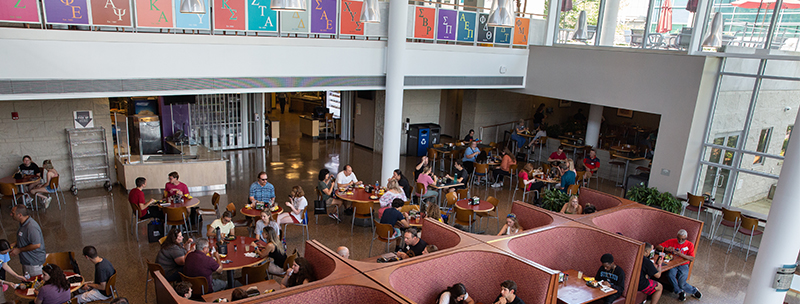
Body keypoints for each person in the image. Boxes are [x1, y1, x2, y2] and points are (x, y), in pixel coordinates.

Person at [656, 229, 701, 301]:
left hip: (683, 265)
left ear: (686, 238)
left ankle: (694, 290)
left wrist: (680, 254)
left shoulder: (690, 245)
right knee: (670, 275)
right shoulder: (672, 241)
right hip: (673, 264)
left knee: (682, 283)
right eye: (679, 238)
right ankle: (679, 292)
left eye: (682, 239)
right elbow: (658, 247)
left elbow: (691, 258)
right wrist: (666, 249)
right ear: (677, 237)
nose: (680, 241)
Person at [9, 205, 46, 276]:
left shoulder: (31, 227)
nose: (11, 214)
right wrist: (15, 244)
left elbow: (36, 244)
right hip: (27, 261)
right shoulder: (23, 224)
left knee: (33, 283)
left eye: (13, 213)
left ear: (20, 215)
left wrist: (19, 250)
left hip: (33, 263)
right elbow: (25, 238)